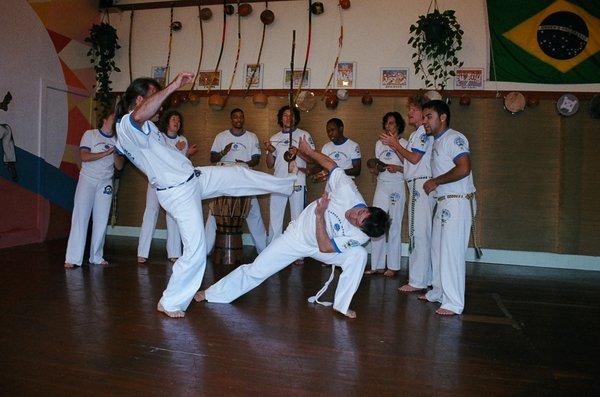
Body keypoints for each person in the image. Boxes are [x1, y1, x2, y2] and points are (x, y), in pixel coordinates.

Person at [114, 73, 297, 318]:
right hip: (178, 192)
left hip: (193, 179)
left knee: (238, 175)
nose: (162, 107)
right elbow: (138, 116)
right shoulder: (127, 125)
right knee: (196, 250)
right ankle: (170, 302)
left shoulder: (148, 129)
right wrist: (175, 85)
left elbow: (162, 154)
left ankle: (287, 184)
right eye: (155, 96)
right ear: (139, 100)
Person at [194, 136, 390, 319]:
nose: (353, 216)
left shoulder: (361, 236)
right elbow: (332, 166)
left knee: (359, 255)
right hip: (297, 237)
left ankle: (341, 304)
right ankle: (212, 294)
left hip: (323, 245)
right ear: (367, 208)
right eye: (359, 213)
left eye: (357, 222)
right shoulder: (348, 191)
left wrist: (320, 215)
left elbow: (325, 247)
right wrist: (310, 151)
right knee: (257, 270)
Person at [419, 100, 476, 316]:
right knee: (438, 249)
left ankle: (453, 302)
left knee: (451, 252)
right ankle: (438, 291)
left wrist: (436, 181)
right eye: (424, 117)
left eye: (429, 117)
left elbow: (464, 168)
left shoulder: (455, 138)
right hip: (444, 201)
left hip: (458, 201)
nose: (425, 121)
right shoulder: (436, 142)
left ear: (442, 117)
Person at [379, 94, 434, 293]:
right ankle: (425, 277)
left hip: (421, 185)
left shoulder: (421, 133)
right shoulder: (416, 134)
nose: (409, 112)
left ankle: (418, 280)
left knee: (418, 233)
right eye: (409, 109)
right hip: (415, 184)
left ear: (424, 112)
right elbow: (409, 162)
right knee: (419, 232)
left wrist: (395, 145)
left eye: (413, 109)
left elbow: (414, 158)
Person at [137, 110, 198, 264]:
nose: (176, 122)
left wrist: (186, 153)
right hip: (156, 182)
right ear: (167, 122)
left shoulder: (183, 139)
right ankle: (142, 253)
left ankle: (174, 253)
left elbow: (180, 163)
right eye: (173, 119)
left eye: (178, 120)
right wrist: (176, 149)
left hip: (172, 185)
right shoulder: (159, 136)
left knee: (172, 217)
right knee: (150, 213)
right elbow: (159, 157)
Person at [204, 108, 267, 254]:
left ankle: (264, 251)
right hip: (224, 180)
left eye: (240, 117)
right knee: (214, 213)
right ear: (231, 119)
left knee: (254, 213)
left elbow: (256, 159)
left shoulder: (252, 137)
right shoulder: (221, 136)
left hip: (244, 178)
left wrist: (244, 162)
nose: (238, 119)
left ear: (243, 119)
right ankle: (205, 251)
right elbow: (212, 158)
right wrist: (223, 152)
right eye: (235, 117)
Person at [64, 112, 122, 268]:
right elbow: (84, 156)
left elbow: (119, 166)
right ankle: (73, 258)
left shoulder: (117, 140)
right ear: (104, 120)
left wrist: (116, 153)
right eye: (113, 118)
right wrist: (105, 152)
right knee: (80, 217)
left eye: (117, 120)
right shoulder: (91, 135)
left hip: (105, 183)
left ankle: (96, 256)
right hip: (88, 180)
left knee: (101, 220)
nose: (115, 121)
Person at [364, 112, 407, 278]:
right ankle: (377, 265)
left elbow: (410, 165)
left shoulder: (404, 143)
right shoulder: (379, 144)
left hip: (397, 186)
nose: (389, 126)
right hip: (382, 185)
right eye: (387, 123)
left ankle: (394, 266)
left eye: (392, 123)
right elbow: (377, 167)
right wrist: (376, 169)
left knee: (394, 225)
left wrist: (398, 167)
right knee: (376, 222)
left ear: (398, 125)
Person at [264, 105, 315, 243]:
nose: (288, 118)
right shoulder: (275, 137)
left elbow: (312, 159)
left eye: (291, 115)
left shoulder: (304, 135)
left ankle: (297, 250)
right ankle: (273, 247)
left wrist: (298, 152)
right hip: (278, 182)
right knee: (275, 217)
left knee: (297, 217)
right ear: (281, 118)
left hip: (297, 181)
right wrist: (269, 151)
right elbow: (269, 164)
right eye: (285, 115)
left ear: (296, 118)